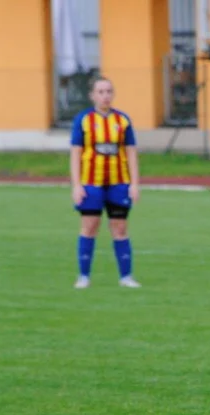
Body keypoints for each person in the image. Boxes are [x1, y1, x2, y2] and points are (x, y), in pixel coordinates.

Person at [70, 77, 141, 289]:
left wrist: (134, 183)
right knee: (90, 226)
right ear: (92, 95)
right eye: (100, 92)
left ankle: (126, 277)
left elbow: (131, 153)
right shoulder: (83, 120)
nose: (105, 96)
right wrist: (76, 184)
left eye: (109, 91)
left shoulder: (122, 120)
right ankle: (84, 276)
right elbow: (75, 153)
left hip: (119, 183)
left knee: (119, 228)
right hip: (91, 183)